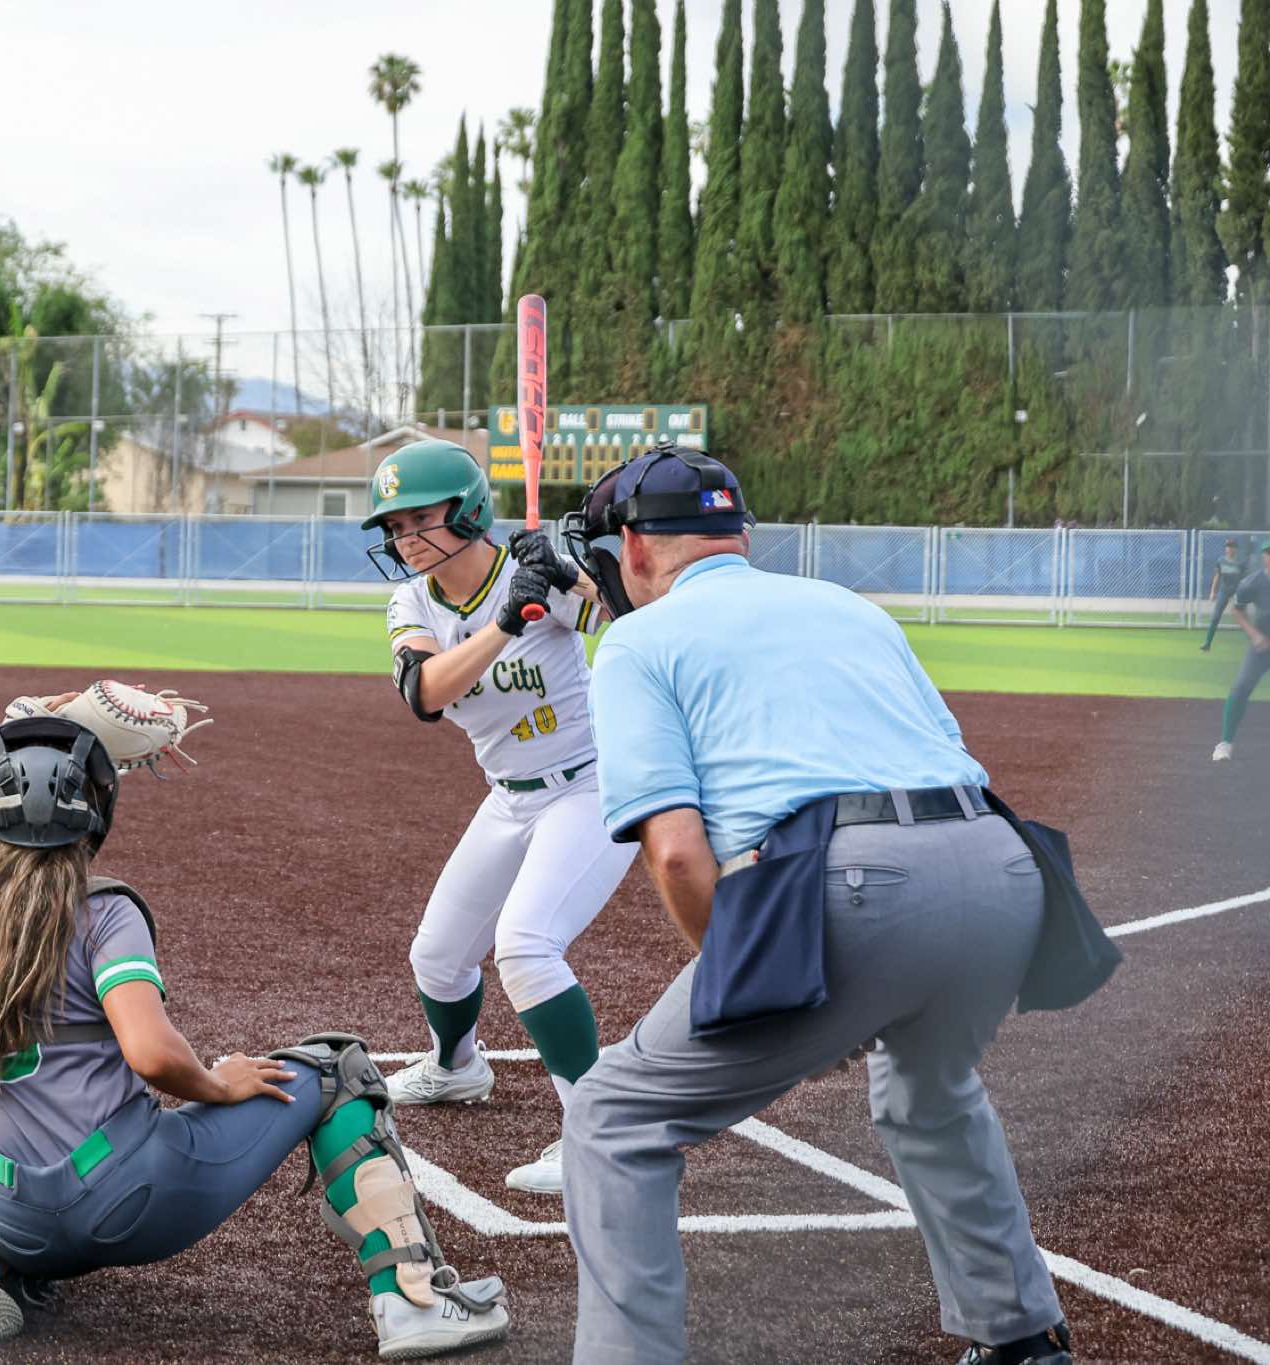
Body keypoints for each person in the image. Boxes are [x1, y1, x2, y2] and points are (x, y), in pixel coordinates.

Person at [555, 443, 1075, 1365]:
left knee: (614, 1116)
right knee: (928, 1088)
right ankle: (1021, 1338)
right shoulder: (851, 606)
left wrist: (766, 980)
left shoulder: (637, 640)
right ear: (740, 537)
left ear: (630, 548)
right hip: (1004, 866)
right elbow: (946, 759)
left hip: (855, 886)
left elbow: (676, 854)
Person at [0, 713, 510, 1356]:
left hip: (13, 1206)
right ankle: (412, 1301)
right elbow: (151, 1054)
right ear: (94, 814)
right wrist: (218, 1084)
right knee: (338, 1070)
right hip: (123, 1201)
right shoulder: (103, 912)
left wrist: (31, 723)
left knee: (38, 1205)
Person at [359, 439, 635, 1195]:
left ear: (469, 511)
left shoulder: (532, 571)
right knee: (437, 957)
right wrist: (507, 623)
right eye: (395, 526)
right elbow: (426, 692)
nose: (406, 538)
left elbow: (634, 624)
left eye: (421, 519)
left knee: (526, 945)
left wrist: (573, 573)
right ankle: (456, 1067)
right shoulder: (413, 602)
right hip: (509, 795)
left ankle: (597, 1134)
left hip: (590, 787)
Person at [1210, 538, 1270, 762]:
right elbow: (1237, 609)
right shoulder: (1253, 583)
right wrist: (1254, 635)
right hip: (1261, 647)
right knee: (1240, 687)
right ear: (1264, 556)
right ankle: (1225, 743)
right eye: (1269, 552)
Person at [1201, 537, 1246, 651]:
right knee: (1215, 617)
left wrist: (1243, 594)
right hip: (1224, 591)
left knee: (1243, 617)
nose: (1229, 549)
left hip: (1237, 591)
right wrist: (1212, 592)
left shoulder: (1240, 562)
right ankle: (1207, 644)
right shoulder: (1221, 561)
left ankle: (1252, 643)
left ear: (1236, 549)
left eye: (1232, 546)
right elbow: (1217, 576)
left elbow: (1244, 580)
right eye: (1228, 546)